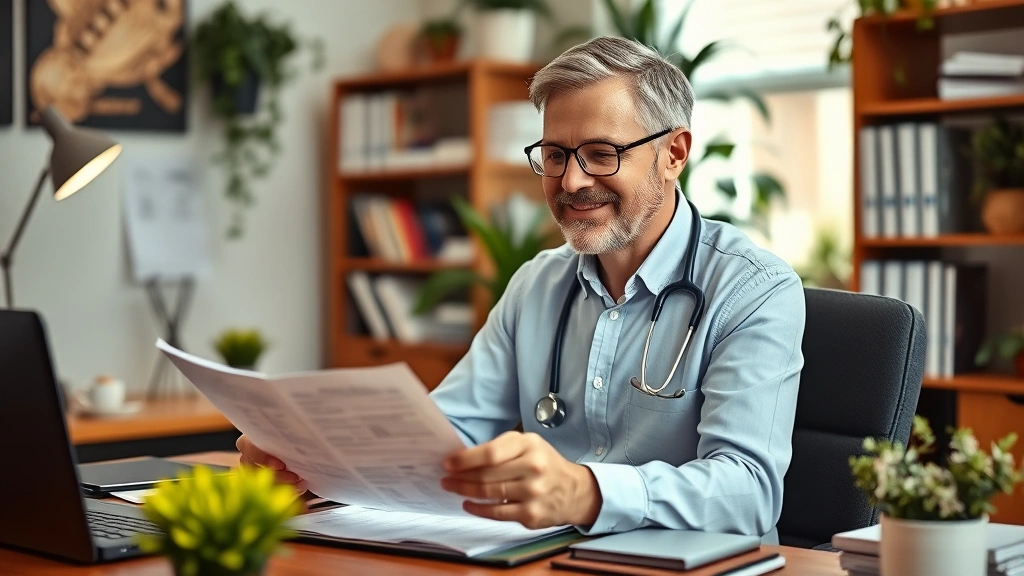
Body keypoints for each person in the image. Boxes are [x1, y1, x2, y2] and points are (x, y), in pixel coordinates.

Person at [237, 36, 805, 542]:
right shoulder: (538, 283)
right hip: (546, 561)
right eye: (555, 155)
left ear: (674, 154)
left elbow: (749, 492)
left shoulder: (754, 290)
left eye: (601, 154)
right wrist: (316, 466)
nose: (572, 181)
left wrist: (585, 492)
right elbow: (445, 434)